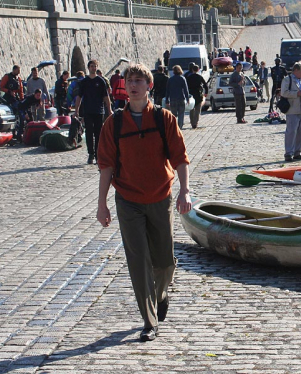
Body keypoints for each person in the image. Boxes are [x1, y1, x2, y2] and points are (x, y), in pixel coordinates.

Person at [96, 63, 191, 342]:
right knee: (138, 261)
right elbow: (105, 167)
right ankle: (149, 322)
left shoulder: (164, 119)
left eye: (139, 80)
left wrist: (185, 190)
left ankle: (161, 294)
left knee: (164, 262)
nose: (133, 84)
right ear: (124, 86)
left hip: (160, 197)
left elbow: (180, 158)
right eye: (129, 80)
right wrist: (102, 204)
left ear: (149, 85)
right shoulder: (113, 124)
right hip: (128, 201)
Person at [75, 60, 112, 165]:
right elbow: (79, 97)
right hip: (88, 111)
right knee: (89, 133)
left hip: (99, 111)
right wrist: (76, 110)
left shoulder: (101, 81)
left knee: (99, 134)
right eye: (91, 66)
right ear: (88, 68)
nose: (93, 68)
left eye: (95, 66)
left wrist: (109, 110)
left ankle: (97, 155)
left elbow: (106, 97)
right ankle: (90, 154)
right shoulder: (84, 82)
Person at [281, 62, 301, 162]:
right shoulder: (287, 80)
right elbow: (283, 92)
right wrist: (296, 93)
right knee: (291, 132)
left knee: (300, 132)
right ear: (296, 70)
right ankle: (288, 153)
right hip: (292, 110)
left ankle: (297, 152)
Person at [186, 64, 208, 129]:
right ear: (198, 70)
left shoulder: (188, 77)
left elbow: (186, 86)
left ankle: (192, 122)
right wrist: (206, 93)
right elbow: (205, 85)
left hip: (191, 94)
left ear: (192, 69)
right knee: (198, 110)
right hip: (198, 94)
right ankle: (195, 122)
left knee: (191, 109)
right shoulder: (199, 77)